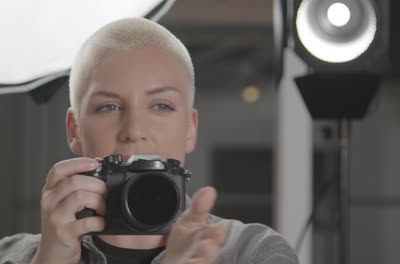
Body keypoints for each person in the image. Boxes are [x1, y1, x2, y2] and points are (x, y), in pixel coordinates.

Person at [0, 17, 298, 264]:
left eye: (161, 106)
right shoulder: (12, 256)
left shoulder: (254, 252)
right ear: (74, 130)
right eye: (109, 107)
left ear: (190, 129)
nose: (134, 130)